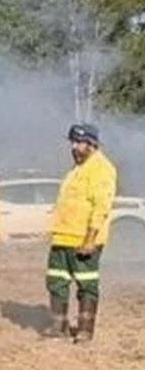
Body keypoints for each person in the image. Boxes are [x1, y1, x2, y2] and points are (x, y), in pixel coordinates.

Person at [46, 124, 117, 343]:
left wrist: (90, 239)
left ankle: (85, 330)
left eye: (79, 143)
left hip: (83, 239)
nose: (74, 147)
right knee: (56, 281)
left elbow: (101, 207)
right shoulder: (75, 171)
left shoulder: (102, 169)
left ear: (92, 144)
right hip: (62, 237)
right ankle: (58, 327)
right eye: (72, 143)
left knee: (86, 284)